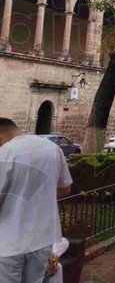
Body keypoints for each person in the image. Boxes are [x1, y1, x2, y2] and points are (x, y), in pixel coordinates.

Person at [0, 118, 73, 283]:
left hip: (7, 243)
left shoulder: (5, 153)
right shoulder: (53, 148)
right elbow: (65, 188)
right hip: (42, 239)